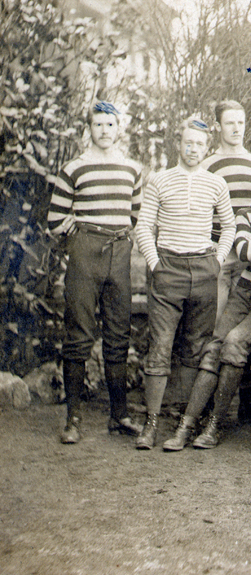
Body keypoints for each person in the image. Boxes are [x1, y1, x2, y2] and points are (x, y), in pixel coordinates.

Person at [161, 155, 251, 451]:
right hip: (245, 286)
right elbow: (242, 250)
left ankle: (215, 424)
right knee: (213, 346)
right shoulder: (247, 213)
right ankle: (187, 425)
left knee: (234, 342)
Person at [133, 116, 235, 450]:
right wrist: (155, 264)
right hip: (168, 268)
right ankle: (150, 424)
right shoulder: (159, 180)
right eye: (188, 143)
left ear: (207, 148)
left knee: (195, 347)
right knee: (160, 346)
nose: (193, 149)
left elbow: (229, 226)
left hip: (203, 269)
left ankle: (182, 422)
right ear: (178, 144)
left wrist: (217, 261)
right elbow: (143, 226)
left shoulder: (216, 183)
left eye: (199, 144)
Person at [48, 101, 143, 443]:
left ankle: (119, 415)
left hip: (119, 253)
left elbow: (135, 215)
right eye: (98, 124)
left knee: (118, 333)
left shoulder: (132, 169)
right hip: (85, 253)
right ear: (89, 128)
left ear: (119, 129)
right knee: (79, 333)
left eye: (110, 124)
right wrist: (75, 237)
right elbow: (54, 221)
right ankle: (72, 419)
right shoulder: (74, 168)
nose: (104, 130)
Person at [201, 100, 251, 422]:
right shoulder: (208, 165)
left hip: (249, 261)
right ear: (218, 127)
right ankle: (208, 402)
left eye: (240, 122)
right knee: (217, 325)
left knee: (244, 328)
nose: (236, 129)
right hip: (220, 256)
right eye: (229, 123)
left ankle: (248, 400)